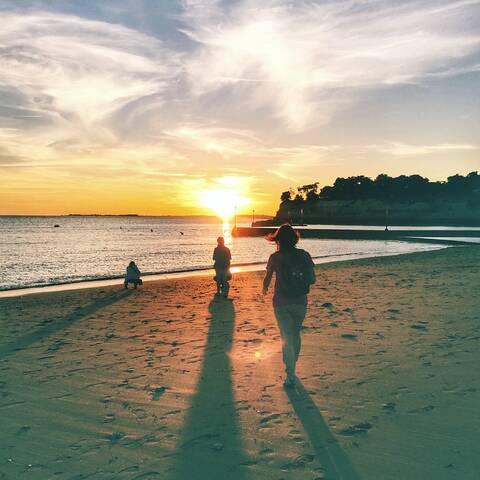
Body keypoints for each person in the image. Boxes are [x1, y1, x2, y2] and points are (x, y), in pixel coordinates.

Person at [263, 224, 315, 387]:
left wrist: (264, 288)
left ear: (277, 239)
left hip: (281, 302)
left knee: (286, 336)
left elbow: (268, 277)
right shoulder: (304, 255)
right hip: (300, 301)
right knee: (295, 334)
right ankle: (292, 366)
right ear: (295, 239)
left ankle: (290, 373)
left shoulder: (275, 257)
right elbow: (313, 279)